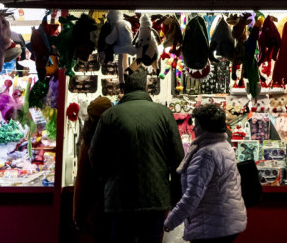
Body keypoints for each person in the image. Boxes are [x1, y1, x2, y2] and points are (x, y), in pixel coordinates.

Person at [90, 67, 185, 243]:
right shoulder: (164, 114)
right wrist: (175, 193)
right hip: (155, 198)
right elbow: (178, 159)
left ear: (124, 87)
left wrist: (109, 180)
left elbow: (95, 156)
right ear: (146, 86)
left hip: (119, 199)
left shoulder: (110, 115)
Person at [163, 103, 247, 243]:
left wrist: (169, 223)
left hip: (212, 225)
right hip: (227, 221)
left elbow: (192, 196)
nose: (194, 128)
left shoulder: (205, 154)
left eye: (197, 124)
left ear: (204, 127)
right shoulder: (224, 145)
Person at [74, 96, 113, 240]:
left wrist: (77, 215)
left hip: (95, 206)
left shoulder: (88, 143)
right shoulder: (120, 138)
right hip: (117, 206)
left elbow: (81, 182)